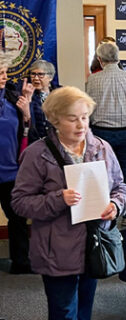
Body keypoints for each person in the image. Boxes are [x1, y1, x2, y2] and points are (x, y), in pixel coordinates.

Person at [11, 86, 126, 320]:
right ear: (54, 120)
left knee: (86, 300)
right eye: (72, 119)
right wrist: (57, 199)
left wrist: (115, 206)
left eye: (85, 118)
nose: (81, 125)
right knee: (63, 312)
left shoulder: (101, 147)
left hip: (93, 244)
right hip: (56, 249)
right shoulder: (38, 153)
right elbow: (20, 203)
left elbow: (120, 187)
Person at [86, 42, 126, 223]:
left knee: (102, 175)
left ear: (100, 60)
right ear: (118, 58)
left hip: (102, 134)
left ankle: (104, 211)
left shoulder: (93, 80)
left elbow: (89, 109)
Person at [0, 54, 34, 275]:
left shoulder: (13, 96)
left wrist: (27, 111)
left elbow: (30, 131)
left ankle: (21, 262)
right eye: (0, 73)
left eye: (4, 72)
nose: (4, 77)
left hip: (11, 170)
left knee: (18, 218)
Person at [28, 59, 60, 139]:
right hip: (37, 140)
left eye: (40, 74)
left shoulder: (60, 94)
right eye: (33, 74)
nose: (35, 78)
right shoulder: (28, 94)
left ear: (50, 77)